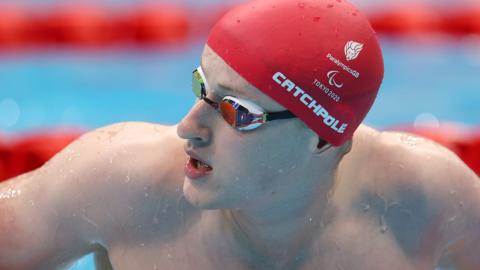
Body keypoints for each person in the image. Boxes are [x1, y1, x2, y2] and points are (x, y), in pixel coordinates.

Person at [1, 0, 479, 269]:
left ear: (323, 139)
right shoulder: (117, 185)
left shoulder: (425, 200)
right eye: (201, 87)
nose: (188, 127)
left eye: (236, 112)